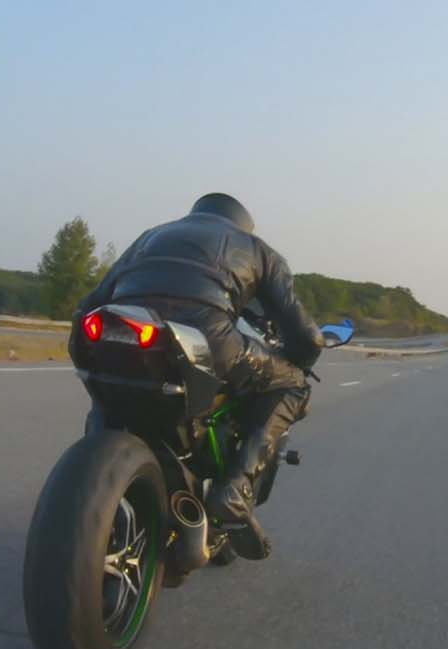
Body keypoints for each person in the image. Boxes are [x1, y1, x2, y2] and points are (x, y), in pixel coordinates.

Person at [80, 193, 323, 561]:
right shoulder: (257, 250)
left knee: (108, 386)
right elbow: (306, 337)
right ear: (243, 224)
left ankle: (96, 467)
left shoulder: (151, 236)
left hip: (116, 326)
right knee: (293, 382)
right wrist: (301, 358)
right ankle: (237, 487)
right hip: (208, 337)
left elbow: (92, 301)